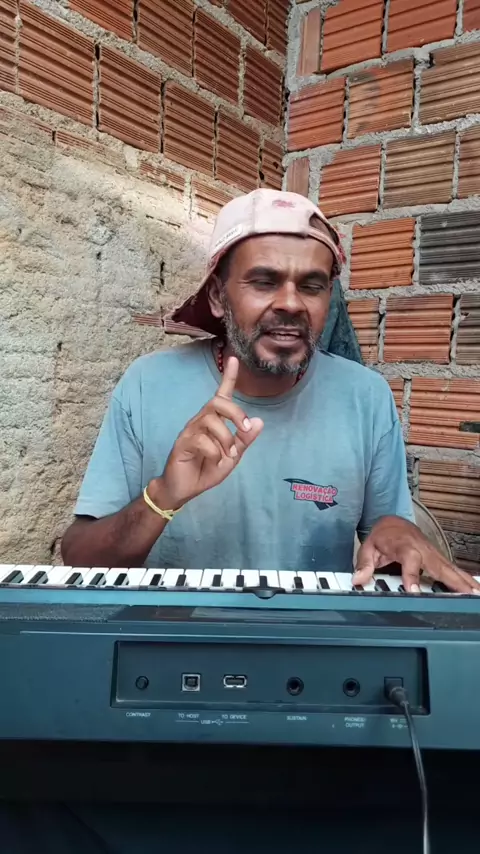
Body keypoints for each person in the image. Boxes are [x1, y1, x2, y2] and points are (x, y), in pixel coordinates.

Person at [61, 188, 479, 594]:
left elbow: (385, 550)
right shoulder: (148, 385)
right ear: (218, 296)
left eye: (312, 286)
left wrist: (397, 532)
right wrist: (162, 496)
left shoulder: (366, 397)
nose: (291, 304)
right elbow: (80, 559)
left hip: (313, 635)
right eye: (264, 281)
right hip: (174, 632)